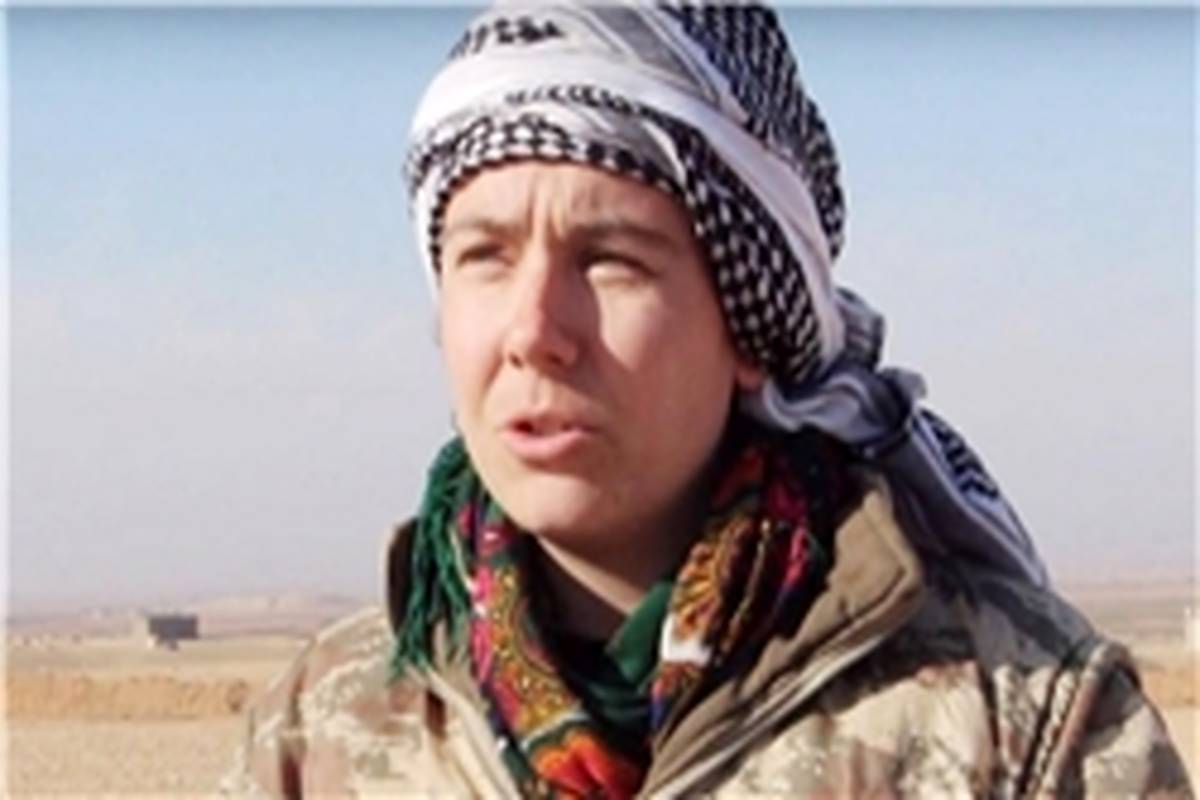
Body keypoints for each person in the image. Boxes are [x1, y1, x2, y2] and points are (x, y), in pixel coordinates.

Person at [221, 3, 1191, 797]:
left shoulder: (1019, 719)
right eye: (485, 256)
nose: (534, 329)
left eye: (610, 260)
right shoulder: (320, 731)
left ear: (750, 328)